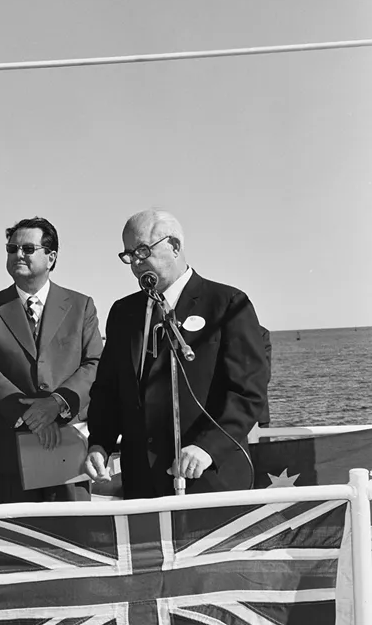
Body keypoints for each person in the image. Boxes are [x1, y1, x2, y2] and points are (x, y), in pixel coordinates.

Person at [85, 209, 269, 499]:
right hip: (141, 482)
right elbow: (108, 389)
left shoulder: (227, 303)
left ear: (175, 246)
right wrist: (99, 443)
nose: (135, 263)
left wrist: (209, 446)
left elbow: (248, 391)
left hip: (208, 477)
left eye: (143, 251)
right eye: (129, 255)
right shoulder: (123, 312)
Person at [0, 217, 104, 503]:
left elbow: (93, 363)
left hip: (67, 447)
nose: (18, 254)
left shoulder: (81, 306)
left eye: (28, 248)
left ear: (51, 257)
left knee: (73, 537)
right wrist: (32, 415)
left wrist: (56, 404)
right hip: (11, 449)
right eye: (11, 248)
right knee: (17, 540)